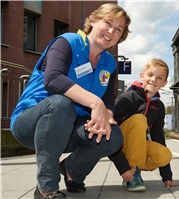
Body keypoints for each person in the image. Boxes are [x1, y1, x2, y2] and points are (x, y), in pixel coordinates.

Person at [10, 3, 131, 199]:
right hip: (31, 122)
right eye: (108, 23)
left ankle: (72, 170)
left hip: (70, 128)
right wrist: (95, 103)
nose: (112, 31)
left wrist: (105, 116)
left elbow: (108, 100)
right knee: (60, 103)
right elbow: (53, 79)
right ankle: (46, 189)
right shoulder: (67, 42)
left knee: (113, 136)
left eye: (118, 29)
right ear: (93, 21)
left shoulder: (109, 63)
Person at [109, 58, 179, 192]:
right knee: (140, 120)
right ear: (142, 76)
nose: (153, 80)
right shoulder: (126, 98)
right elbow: (112, 128)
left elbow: (158, 136)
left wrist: (166, 176)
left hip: (138, 147)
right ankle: (132, 175)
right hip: (118, 144)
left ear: (164, 83)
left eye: (159, 78)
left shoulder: (158, 106)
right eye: (150, 75)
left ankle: (135, 168)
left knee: (164, 155)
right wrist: (122, 166)